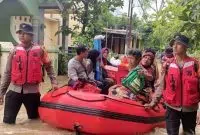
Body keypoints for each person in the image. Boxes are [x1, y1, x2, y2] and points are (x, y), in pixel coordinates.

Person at [0, 23, 58, 124]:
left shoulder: (40, 50)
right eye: (20, 33)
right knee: (8, 123)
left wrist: (54, 82)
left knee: (35, 121)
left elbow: (49, 67)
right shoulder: (14, 51)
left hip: (32, 93)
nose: (21, 35)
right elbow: (7, 73)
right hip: (14, 91)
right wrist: (1, 93)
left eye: (25, 33)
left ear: (31, 36)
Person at [145, 34, 200, 135]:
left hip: (190, 109)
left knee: (189, 133)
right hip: (171, 107)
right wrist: (153, 102)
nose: (174, 46)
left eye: (178, 44)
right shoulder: (168, 64)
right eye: (174, 44)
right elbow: (162, 86)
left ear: (186, 47)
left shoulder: (195, 64)